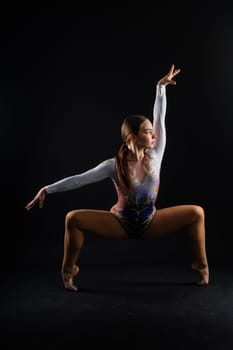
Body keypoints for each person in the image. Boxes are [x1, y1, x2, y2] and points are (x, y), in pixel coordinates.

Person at [25, 64, 209, 291]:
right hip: (120, 224)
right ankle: (68, 271)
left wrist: (160, 88)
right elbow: (79, 179)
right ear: (133, 137)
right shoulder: (113, 165)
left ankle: (201, 266)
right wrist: (47, 188)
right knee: (73, 219)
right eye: (147, 131)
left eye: (152, 131)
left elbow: (160, 116)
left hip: (151, 221)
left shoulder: (156, 153)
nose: (153, 134)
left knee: (196, 213)